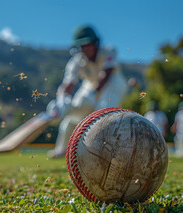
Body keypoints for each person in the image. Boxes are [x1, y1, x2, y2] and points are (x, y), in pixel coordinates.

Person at [48, 25, 128, 158]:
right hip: (89, 84)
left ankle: (103, 151)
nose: (87, 49)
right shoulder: (76, 61)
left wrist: (94, 93)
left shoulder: (109, 51)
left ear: (96, 43)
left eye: (89, 44)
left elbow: (106, 74)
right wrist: (62, 101)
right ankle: (61, 149)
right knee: (71, 116)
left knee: (102, 114)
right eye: (83, 46)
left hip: (113, 84)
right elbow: (67, 85)